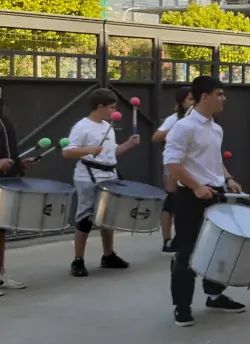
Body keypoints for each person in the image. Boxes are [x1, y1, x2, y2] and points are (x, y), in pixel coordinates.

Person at [163, 76, 246, 326]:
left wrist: (228, 178)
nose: (224, 99)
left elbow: (214, 160)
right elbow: (172, 163)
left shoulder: (215, 127)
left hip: (216, 193)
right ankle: (182, 306)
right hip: (191, 197)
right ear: (204, 97)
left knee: (218, 248)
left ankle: (214, 294)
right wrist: (196, 186)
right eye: (219, 94)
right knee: (187, 252)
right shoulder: (184, 127)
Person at [62, 89, 140, 278]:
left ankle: (108, 255)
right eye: (111, 107)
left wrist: (128, 144)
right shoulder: (82, 126)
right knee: (85, 218)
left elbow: (111, 153)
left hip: (109, 175)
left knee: (108, 217)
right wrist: (88, 149)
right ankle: (78, 260)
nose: (114, 111)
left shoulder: (108, 126)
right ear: (100, 106)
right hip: (87, 177)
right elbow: (67, 152)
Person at [0, 85, 37, 291]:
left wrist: (19, 162)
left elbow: (8, 150)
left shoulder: (4, 121)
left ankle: (1, 274)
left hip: (5, 182)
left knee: (0, 229)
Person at [152, 87, 193, 252]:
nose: (193, 103)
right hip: (174, 165)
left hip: (192, 166)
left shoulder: (201, 120)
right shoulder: (174, 119)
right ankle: (167, 239)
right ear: (181, 102)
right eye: (190, 99)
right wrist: (176, 127)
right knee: (171, 201)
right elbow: (155, 137)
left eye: (194, 99)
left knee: (187, 203)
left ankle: (183, 237)